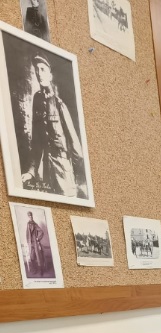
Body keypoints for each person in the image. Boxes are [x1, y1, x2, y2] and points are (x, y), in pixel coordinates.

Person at [21, 54, 86, 198]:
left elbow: (76, 145)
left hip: (64, 170)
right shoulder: (37, 100)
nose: (39, 73)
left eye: (43, 69)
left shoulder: (59, 104)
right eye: (37, 70)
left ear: (50, 76)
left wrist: (78, 177)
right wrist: (31, 171)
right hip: (46, 172)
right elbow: (36, 143)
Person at [25, 210, 45, 275]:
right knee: (32, 257)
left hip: (35, 243)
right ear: (28, 217)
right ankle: (34, 270)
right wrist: (28, 242)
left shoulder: (35, 224)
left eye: (31, 215)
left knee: (38, 257)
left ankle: (41, 271)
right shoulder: (28, 224)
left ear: (32, 216)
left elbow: (41, 231)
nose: (30, 217)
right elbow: (27, 234)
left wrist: (38, 238)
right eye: (29, 216)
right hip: (30, 244)